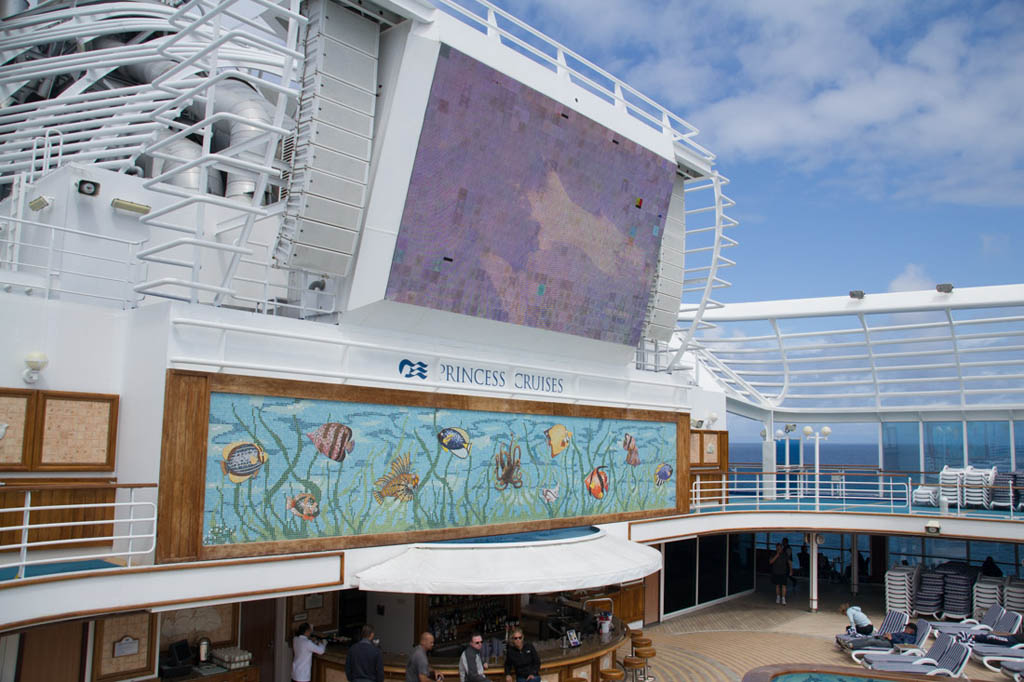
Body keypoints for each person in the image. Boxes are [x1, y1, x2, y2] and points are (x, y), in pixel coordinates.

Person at [846, 622, 918, 650]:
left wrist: (891, 638)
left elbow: (904, 645)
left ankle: (852, 645)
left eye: (907, 628)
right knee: (869, 638)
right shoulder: (904, 633)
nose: (905, 629)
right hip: (886, 639)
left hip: (891, 644)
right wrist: (888, 635)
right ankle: (849, 642)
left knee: (871, 641)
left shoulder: (910, 637)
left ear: (912, 631)